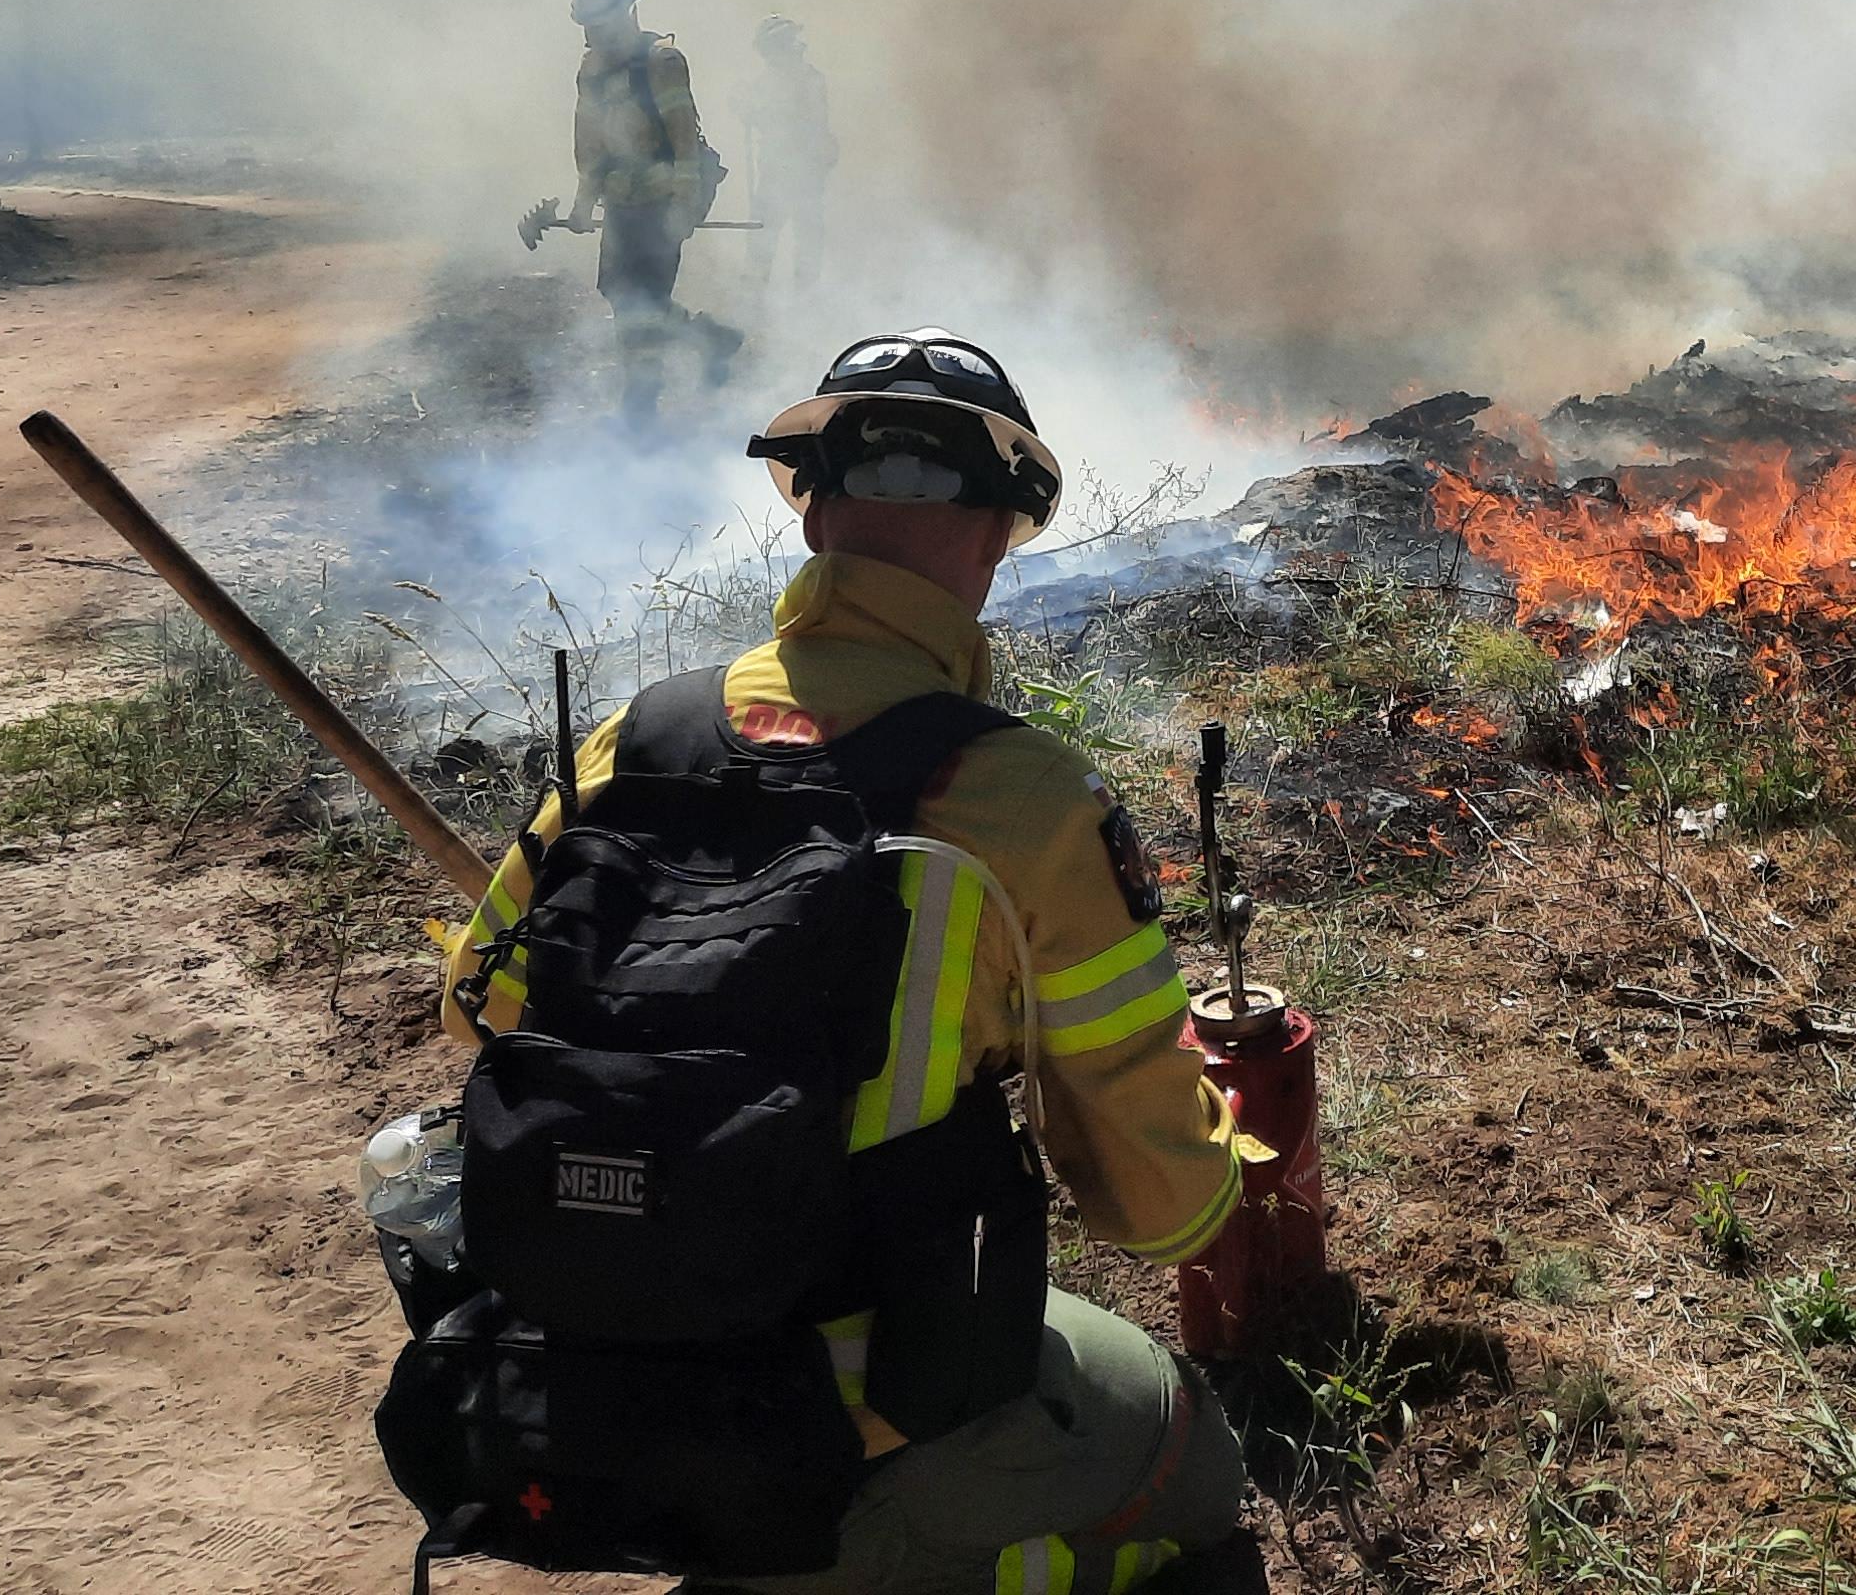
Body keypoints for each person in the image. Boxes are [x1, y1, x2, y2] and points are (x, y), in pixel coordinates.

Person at [433, 331, 1256, 1595]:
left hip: (596, 1364)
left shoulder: (635, 737)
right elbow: (1160, 1214)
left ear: (810, 515)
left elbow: (471, 1012)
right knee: (1194, 1467)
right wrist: (1220, 1144)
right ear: (996, 536)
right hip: (876, 1409)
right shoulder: (1019, 799)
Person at [540, 0, 745, 423]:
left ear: (627, 11)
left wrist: (683, 208)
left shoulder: (662, 62)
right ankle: (708, 338)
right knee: (619, 293)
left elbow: (685, 143)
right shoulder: (591, 70)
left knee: (643, 309)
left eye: (599, 24)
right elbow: (589, 145)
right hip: (621, 202)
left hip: (662, 202)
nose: (592, 36)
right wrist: (581, 204)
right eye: (586, 27)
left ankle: (640, 408)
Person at [751, 16, 841, 315]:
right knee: (765, 236)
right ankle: (759, 296)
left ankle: (804, 301)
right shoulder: (769, 80)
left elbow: (803, 122)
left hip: (802, 172)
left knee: (806, 238)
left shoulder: (807, 80)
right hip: (777, 170)